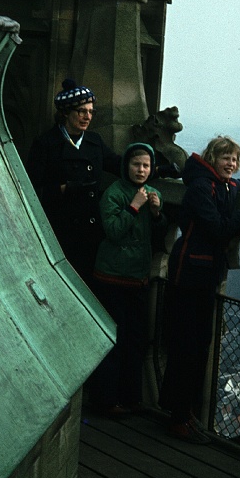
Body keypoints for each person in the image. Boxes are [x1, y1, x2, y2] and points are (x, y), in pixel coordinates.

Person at [158, 135, 240, 444]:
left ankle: (182, 413)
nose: (231, 164)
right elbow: (220, 230)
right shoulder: (202, 188)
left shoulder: (222, 184)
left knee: (198, 345)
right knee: (187, 346)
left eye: (235, 159)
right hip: (187, 277)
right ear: (212, 159)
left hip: (203, 277)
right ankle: (177, 418)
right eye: (226, 158)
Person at [86, 143, 167, 418]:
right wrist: (134, 207)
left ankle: (130, 398)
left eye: (146, 165)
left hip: (137, 278)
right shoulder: (113, 193)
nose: (141, 170)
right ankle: (105, 401)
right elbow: (113, 231)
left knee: (135, 341)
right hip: (111, 278)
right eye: (136, 164)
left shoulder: (153, 193)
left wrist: (157, 213)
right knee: (114, 341)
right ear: (126, 166)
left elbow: (156, 235)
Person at [26, 78, 122, 286]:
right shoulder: (46, 144)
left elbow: (118, 165)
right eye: (81, 111)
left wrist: (151, 165)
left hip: (90, 233)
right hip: (59, 232)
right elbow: (29, 191)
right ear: (65, 113)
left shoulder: (94, 142)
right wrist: (64, 188)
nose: (88, 117)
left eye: (91, 111)